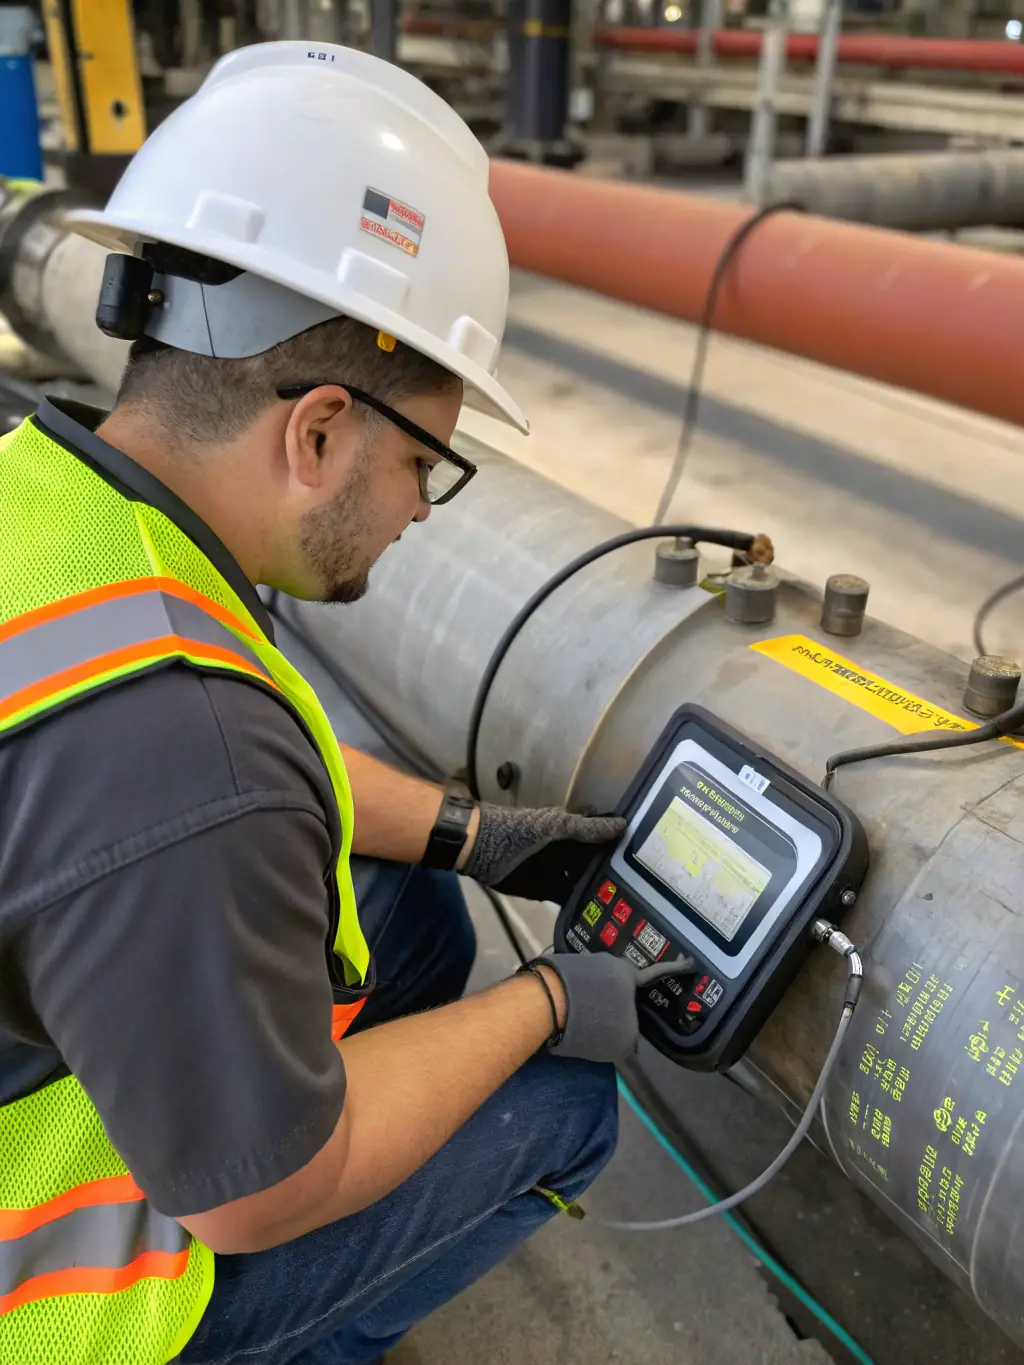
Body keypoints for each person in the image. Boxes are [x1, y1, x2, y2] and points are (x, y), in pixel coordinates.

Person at [0, 42, 680, 1365]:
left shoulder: (54, 499)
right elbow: (261, 1196)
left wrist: (473, 835)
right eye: (429, 461)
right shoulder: (188, 752)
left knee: (406, 911)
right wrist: (551, 1003)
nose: (426, 508)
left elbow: (221, 777)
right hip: (39, 1297)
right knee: (556, 1108)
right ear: (316, 431)